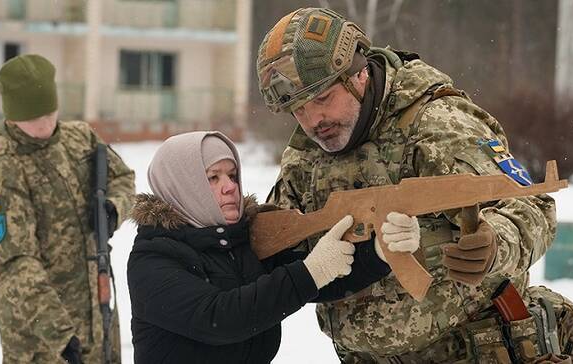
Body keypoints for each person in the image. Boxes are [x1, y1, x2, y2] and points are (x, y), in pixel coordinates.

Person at [257, 8, 573, 363]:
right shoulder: (305, 156)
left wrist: (494, 244)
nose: (313, 120)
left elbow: (531, 206)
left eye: (322, 99)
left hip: (469, 350)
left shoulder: (432, 122)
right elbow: (271, 241)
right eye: (298, 109)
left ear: (359, 75)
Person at [126, 131, 420, 364]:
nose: (229, 187)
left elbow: (322, 279)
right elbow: (219, 318)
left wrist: (381, 251)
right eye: (212, 178)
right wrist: (312, 271)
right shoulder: (153, 258)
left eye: (232, 175)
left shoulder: (244, 240)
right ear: (182, 186)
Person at [0, 54, 136, 363]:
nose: (46, 125)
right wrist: (62, 337)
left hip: (98, 320)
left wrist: (114, 208)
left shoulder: (79, 139)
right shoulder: (1, 170)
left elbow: (123, 178)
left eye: (50, 113)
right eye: (34, 118)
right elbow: (16, 266)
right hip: (42, 342)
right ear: (12, 116)